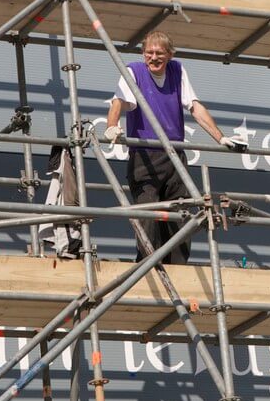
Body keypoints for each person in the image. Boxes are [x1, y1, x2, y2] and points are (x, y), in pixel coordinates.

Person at [104, 31, 246, 264]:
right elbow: (118, 101)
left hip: (174, 155)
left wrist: (220, 138)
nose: (153, 58)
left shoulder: (177, 70)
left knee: (181, 213)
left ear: (170, 55)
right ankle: (148, 266)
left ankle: (179, 267)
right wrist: (112, 125)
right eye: (148, 53)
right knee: (147, 215)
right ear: (143, 54)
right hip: (145, 156)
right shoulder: (134, 71)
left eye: (159, 53)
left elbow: (195, 107)